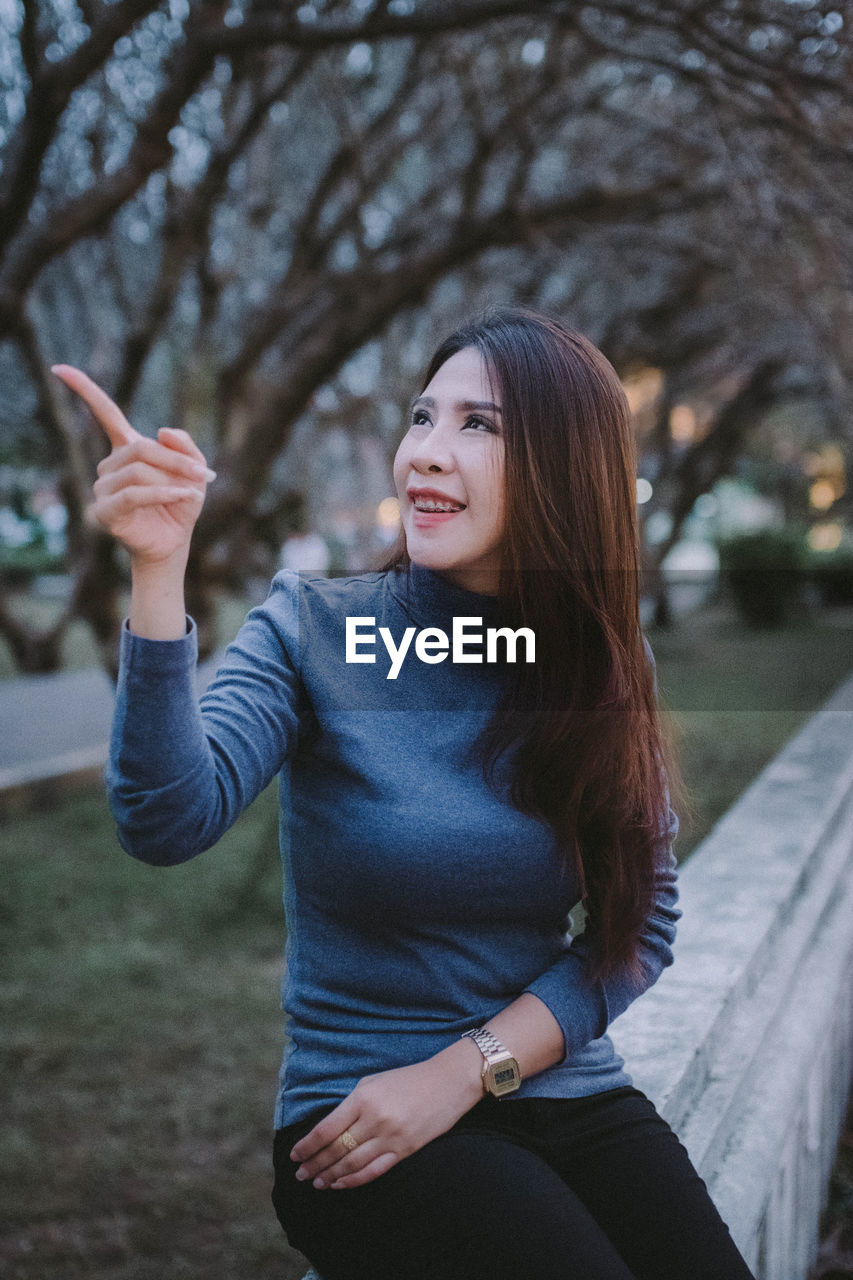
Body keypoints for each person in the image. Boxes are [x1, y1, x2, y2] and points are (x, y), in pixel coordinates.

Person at [51, 307, 756, 1280]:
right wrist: (158, 565)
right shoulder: (314, 629)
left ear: (564, 466)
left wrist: (463, 1071)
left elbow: (639, 923)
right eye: (422, 417)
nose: (425, 451)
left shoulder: (596, 657)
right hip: (360, 1120)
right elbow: (165, 817)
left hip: (564, 1094)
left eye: (478, 425)